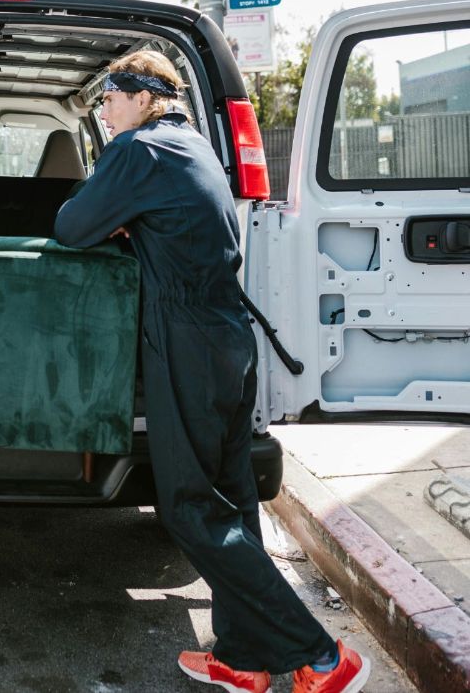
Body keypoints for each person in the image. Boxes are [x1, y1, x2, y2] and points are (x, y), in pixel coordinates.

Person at [54, 50, 370, 693]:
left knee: (192, 508)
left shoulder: (140, 149)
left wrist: (116, 223)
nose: (105, 113)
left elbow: (70, 226)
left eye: (109, 100)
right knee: (235, 502)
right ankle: (243, 658)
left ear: (143, 97)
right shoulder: (193, 147)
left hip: (187, 343)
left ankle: (321, 656)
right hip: (229, 338)